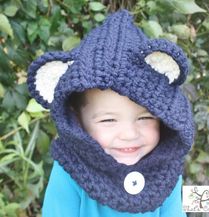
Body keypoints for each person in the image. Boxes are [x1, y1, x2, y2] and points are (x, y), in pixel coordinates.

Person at [27, 9, 195, 217]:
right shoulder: (70, 171)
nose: (129, 134)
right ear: (78, 120)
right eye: (108, 120)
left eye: (145, 117)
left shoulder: (166, 169)